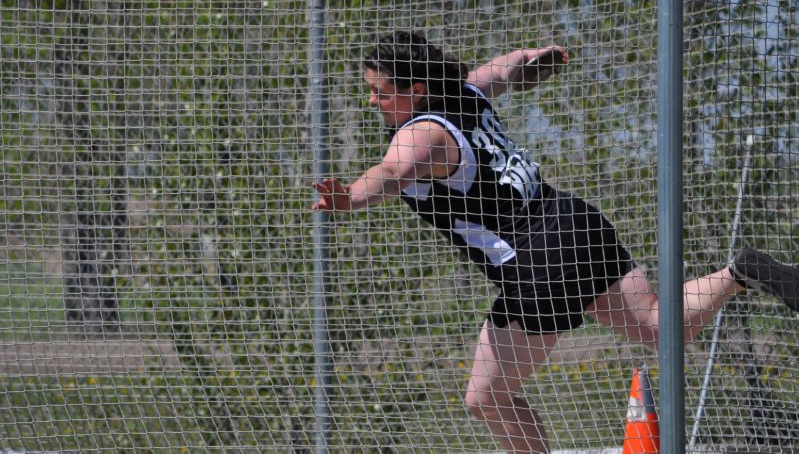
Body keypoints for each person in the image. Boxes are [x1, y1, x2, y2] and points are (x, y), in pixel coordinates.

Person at [311, 30, 799, 453]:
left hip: (536, 262)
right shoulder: (465, 92)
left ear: (415, 90)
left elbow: (392, 173)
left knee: (486, 399)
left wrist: (349, 197)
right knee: (659, 324)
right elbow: (500, 71)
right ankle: (740, 272)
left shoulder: (419, 137)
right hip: (572, 220)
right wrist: (530, 58)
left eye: (380, 93)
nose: (372, 102)